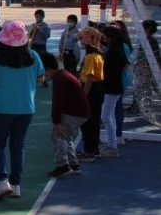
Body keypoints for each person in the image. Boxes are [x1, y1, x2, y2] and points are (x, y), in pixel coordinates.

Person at [0, 20, 45, 200]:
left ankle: (2, 180)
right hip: (26, 107)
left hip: (3, 107)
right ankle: (16, 184)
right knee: (18, 144)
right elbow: (41, 78)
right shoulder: (33, 56)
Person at [40, 53, 90, 177]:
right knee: (66, 135)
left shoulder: (59, 80)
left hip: (75, 112)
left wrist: (56, 122)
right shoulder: (63, 75)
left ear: (49, 69)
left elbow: (58, 102)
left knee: (57, 134)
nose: (43, 75)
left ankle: (62, 165)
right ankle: (74, 164)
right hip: (81, 112)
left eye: (43, 72)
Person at [98, 25, 128, 158]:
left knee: (106, 116)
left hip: (112, 87)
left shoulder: (112, 52)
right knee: (110, 116)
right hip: (115, 86)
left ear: (109, 38)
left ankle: (112, 147)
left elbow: (110, 69)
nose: (102, 37)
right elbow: (125, 64)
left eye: (104, 36)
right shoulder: (117, 49)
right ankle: (113, 142)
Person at [76, 26, 104, 163]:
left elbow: (89, 78)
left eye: (83, 39)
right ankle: (94, 149)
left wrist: (83, 96)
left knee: (87, 121)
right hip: (97, 90)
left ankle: (89, 151)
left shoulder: (90, 57)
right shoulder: (98, 55)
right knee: (94, 120)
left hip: (90, 91)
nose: (81, 41)